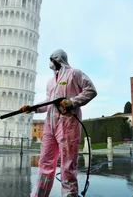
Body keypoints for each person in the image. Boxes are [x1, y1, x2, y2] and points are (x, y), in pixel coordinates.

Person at [19, 49, 97, 197]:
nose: (50, 63)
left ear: (57, 60)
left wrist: (72, 101)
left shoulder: (75, 74)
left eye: (51, 60)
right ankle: (39, 194)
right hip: (50, 125)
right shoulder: (50, 82)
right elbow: (48, 103)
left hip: (68, 124)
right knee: (45, 162)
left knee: (68, 164)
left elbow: (91, 90)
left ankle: (69, 195)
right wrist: (33, 108)